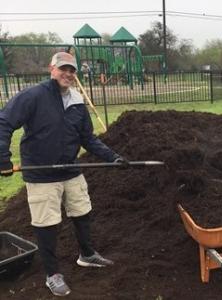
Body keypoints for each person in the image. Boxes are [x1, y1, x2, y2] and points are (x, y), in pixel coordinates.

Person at [0, 52, 128, 296]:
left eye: (72, 70)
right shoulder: (34, 96)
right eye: (63, 69)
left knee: (82, 211)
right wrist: (3, 159)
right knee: (46, 224)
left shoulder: (77, 101)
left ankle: (87, 255)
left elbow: (87, 138)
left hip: (70, 169)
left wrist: (113, 157)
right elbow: (4, 122)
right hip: (41, 174)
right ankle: (52, 274)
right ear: (52, 69)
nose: (67, 74)